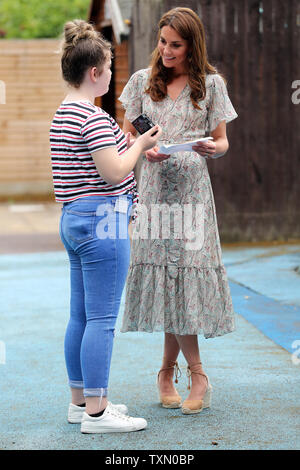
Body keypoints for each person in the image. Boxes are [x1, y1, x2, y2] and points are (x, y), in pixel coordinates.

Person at [119, 7, 238, 415]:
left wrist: (211, 147)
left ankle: (187, 372)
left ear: (192, 46)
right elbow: (129, 128)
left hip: (192, 195)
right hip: (153, 192)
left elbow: (222, 141)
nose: (166, 51)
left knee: (185, 279)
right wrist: (144, 147)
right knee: (168, 279)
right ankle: (173, 372)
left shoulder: (212, 85)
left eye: (175, 45)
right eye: (163, 42)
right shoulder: (140, 81)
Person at [50, 19, 162, 433]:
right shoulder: (94, 118)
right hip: (104, 221)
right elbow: (114, 171)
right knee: (101, 319)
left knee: (80, 315)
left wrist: (135, 146)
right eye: (110, 68)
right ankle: (97, 412)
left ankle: (81, 401)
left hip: (74, 220)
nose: (113, 74)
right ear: (94, 73)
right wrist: (141, 144)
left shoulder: (63, 113)